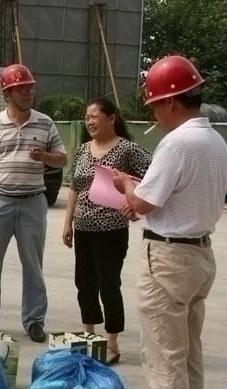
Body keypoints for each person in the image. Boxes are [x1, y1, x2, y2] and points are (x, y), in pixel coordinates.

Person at [113, 55, 227, 389]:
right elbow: (183, 195)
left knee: (164, 359)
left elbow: (141, 204)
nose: (154, 115)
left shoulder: (176, 143)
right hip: (199, 256)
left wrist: (126, 185)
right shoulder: (216, 142)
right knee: (189, 353)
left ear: (172, 103)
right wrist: (142, 197)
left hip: (168, 259)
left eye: (155, 106)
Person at [0, 64, 67, 342]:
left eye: (30, 88)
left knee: (33, 266)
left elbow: (62, 158)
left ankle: (34, 320)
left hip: (32, 203)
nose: (28, 93)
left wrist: (45, 157)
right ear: (7, 94)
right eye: (21, 89)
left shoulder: (45, 123)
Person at [62, 98, 151, 364]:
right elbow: (74, 187)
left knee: (109, 284)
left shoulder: (127, 149)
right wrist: (68, 222)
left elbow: (154, 176)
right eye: (86, 117)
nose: (89, 121)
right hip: (84, 229)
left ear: (111, 118)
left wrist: (134, 203)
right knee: (84, 282)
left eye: (94, 116)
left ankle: (112, 342)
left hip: (111, 231)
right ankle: (88, 335)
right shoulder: (83, 150)